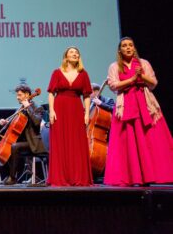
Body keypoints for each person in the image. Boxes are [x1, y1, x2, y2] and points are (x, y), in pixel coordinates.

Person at [104, 37, 173, 186]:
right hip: (126, 105)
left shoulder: (144, 63)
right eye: (124, 46)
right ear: (120, 50)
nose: (128, 48)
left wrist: (141, 76)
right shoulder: (115, 66)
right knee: (127, 142)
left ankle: (151, 175)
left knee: (149, 140)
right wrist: (132, 79)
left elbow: (153, 83)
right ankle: (131, 177)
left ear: (134, 48)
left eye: (130, 45)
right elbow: (114, 85)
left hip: (144, 103)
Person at [47, 46, 93, 186]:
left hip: (76, 108)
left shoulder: (83, 74)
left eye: (77, 53)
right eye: (72, 52)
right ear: (66, 57)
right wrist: (51, 111)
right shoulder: (57, 72)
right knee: (61, 142)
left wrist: (86, 113)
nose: (75, 54)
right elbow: (51, 93)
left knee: (76, 143)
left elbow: (86, 95)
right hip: (60, 108)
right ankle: (61, 177)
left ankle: (78, 177)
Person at [0, 85, 47, 185]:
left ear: (27, 95)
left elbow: (37, 122)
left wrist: (28, 107)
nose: (17, 97)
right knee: (8, 146)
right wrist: (4, 122)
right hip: (24, 142)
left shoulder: (38, 108)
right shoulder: (20, 109)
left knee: (14, 146)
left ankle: (13, 177)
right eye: (17, 95)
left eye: (20, 95)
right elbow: (11, 124)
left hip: (34, 142)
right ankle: (11, 175)